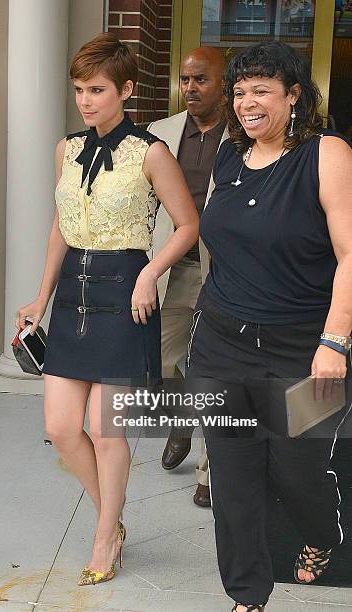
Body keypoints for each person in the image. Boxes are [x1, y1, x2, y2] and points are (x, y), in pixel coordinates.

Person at [15, 33, 198, 587]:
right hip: (72, 297)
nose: (86, 101)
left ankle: (103, 537)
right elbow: (61, 226)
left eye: (97, 89)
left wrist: (149, 274)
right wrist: (40, 297)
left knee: (106, 428)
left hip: (126, 297)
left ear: (126, 89)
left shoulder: (151, 152)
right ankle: (111, 519)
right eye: (78, 90)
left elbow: (189, 225)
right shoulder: (66, 148)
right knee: (62, 427)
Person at [186, 41, 352, 611]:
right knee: (232, 476)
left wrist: (335, 341)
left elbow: (350, 252)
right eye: (239, 92)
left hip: (303, 349)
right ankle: (248, 595)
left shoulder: (325, 153)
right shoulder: (231, 157)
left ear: (294, 95)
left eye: (261, 90)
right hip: (221, 345)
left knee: (298, 466)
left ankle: (320, 536)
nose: (246, 103)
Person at [148, 46, 228, 508]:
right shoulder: (161, 133)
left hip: (226, 272)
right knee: (163, 362)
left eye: (201, 79)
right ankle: (183, 415)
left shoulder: (243, 135)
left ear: (222, 83)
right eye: (186, 79)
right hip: (174, 268)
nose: (191, 88)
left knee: (216, 370)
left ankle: (208, 472)